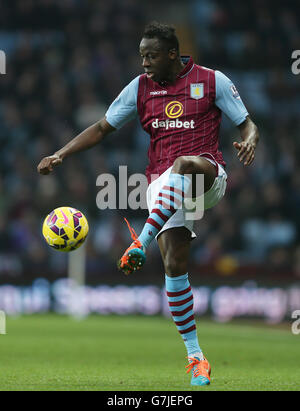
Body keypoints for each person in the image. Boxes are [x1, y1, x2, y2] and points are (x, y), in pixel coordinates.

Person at [37, 22, 259, 386]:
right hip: (162, 187)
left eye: (151, 55)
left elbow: (248, 124)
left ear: (173, 53)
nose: (144, 63)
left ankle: (139, 241)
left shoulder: (212, 80)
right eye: (141, 56)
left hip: (206, 175)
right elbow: (101, 127)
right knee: (174, 265)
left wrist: (249, 141)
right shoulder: (138, 89)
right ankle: (196, 358)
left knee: (184, 163)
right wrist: (60, 154)